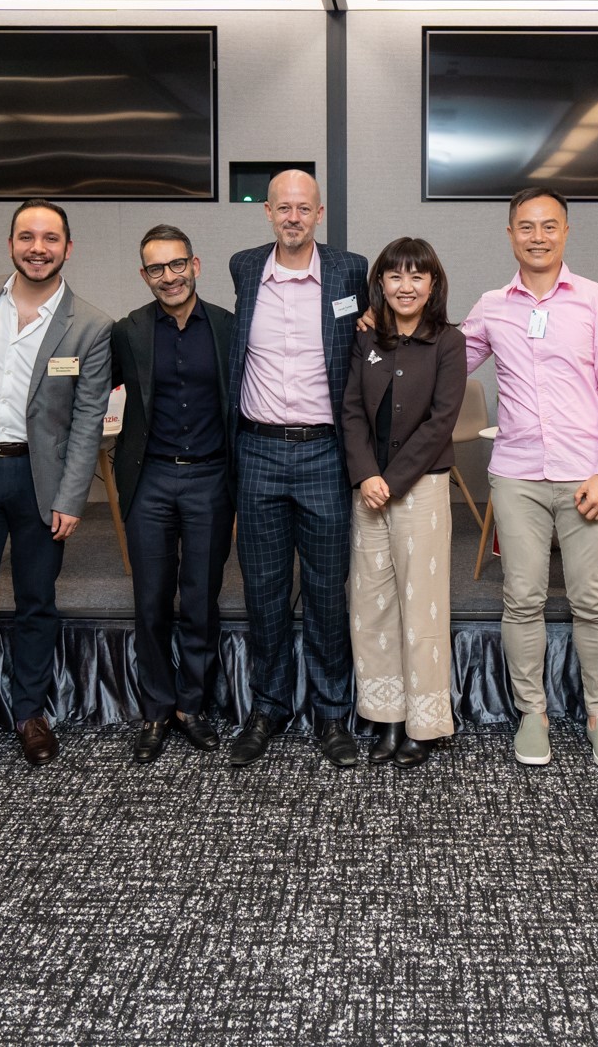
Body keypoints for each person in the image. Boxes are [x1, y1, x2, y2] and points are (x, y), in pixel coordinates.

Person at [0, 200, 112, 791]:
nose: (38, 248)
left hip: (40, 481)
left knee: (37, 600)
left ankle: (30, 714)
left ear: (68, 248)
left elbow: (87, 420)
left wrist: (72, 498)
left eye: (50, 238)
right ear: (10, 243)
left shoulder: (90, 325)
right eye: (27, 236)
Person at [462, 187, 598, 771]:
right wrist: (383, 329)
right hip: (517, 476)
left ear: (566, 231)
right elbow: (441, 364)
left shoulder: (597, 300)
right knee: (522, 599)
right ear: (510, 233)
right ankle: (531, 712)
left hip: (588, 475)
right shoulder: (492, 306)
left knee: (593, 600)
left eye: (549, 225)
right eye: (526, 226)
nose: (538, 236)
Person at [227, 170, 369, 768]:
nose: (292, 217)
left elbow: (369, 336)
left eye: (303, 208)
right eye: (282, 207)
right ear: (267, 212)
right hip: (257, 449)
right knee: (262, 590)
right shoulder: (244, 267)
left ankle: (332, 713)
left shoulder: (349, 271)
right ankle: (269, 706)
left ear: (319, 213)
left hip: (324, 452)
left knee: (326, 591)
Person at [111, 224, 236, 764]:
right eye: (157, 268)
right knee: (151, 601)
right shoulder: (128, 331)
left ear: (195, 265)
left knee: (202, 600)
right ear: (145, 276)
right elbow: (88, 388)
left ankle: (192, 705)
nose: (169, 276)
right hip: (151, 480)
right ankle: (157, 709)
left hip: (212, 478)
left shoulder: (229, 327)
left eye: (177, 264)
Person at [342, 237, 467, 768]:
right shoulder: (367, 337)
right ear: (381, 284)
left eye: (417, 276)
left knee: (422, 607)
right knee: (371, 606)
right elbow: (350, 410)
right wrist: (366, 475)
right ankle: (387, 716)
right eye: (395, 276)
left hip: (420, 489)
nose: (406, 286)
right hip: (368, 489)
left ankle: (424, 722)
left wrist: (388, 481)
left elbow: (441, 422)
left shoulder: (449, 341)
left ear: (433, 284)